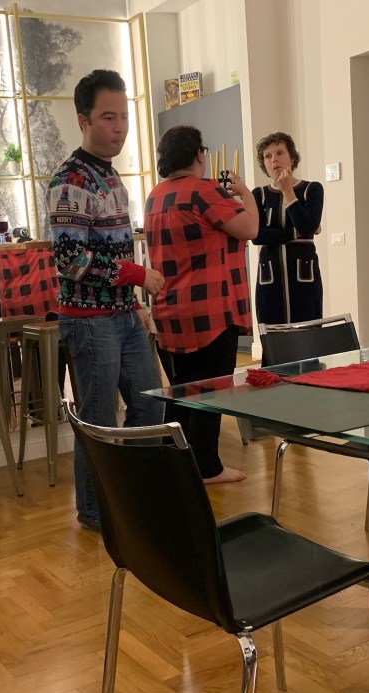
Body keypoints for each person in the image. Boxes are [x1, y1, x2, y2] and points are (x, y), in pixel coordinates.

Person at [48, 69, 165, 533]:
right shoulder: (71, 179)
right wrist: (138, 276)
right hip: (89, 321)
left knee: (149, 405)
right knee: (99, 420)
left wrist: (134, 302)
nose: (119, 128)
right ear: (84, 120)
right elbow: (70, 260)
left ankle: (134, 498)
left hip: (122, 314)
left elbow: (111, 248)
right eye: (108, 117)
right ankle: (96, 511)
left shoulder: (110, 176)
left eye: (124, 117)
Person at [145, 126, 258, 484]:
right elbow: (249, 228)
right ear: (198, 154)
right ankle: (207, 467)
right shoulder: (204, 191)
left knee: (181, 390)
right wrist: (246, 194)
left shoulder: (155, 196)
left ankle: (174, 463)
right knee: (212, 390)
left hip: (169, 308)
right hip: (211, 310)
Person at [252, 131, 325, 324]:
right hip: (270, 279)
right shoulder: (259, 195)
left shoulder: (312, 189)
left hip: (304, 278)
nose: (274, 160)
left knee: (307, 333)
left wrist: (288, 192)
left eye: (279, 153)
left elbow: (307, 226)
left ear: (291, 158)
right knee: (273, 335)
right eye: (268, 156)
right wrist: (295, 232)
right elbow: (257, 235)